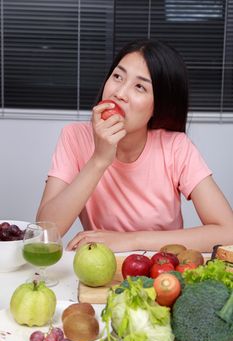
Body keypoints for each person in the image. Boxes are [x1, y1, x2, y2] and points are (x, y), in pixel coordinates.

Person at [36, 39, 233, 253]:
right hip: (102, 272)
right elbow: (46, 233)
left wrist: (131, 241)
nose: (119, 93)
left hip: (163, 273)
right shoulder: (74, 137)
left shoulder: (176, 147)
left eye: (139, 87)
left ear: (158, 106)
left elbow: (228, 232)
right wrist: (99, 160)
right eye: (117, 76)